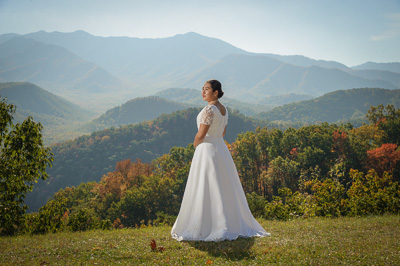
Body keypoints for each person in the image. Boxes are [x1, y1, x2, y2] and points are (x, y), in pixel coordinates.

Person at [171, 79, 269, 241]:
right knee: (222, 186)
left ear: (216, 92)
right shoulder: (224, 109)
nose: (203, 92)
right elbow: (222, 133)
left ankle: (208, 224)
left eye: (207, 89)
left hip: (207, 149)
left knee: (206, 186)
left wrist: (196, 146)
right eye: (202, 89)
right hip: (220, 149)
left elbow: (201, 135)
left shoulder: (210, 109)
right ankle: (227, 222)